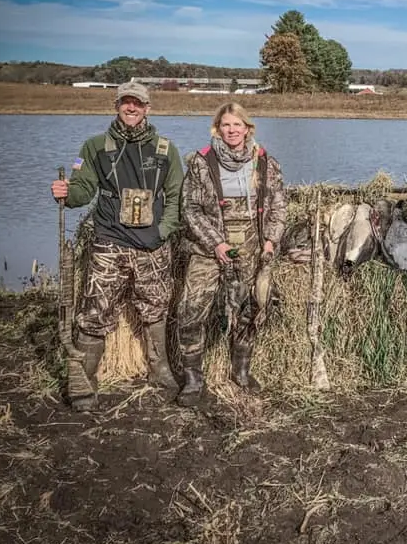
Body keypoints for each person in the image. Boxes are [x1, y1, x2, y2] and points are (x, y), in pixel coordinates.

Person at [51, 81, 183, 411]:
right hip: (108, 244)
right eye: (126, 102)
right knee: (94, 312)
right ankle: (84, 379)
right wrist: (66, 194)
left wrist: (162, 232)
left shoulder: (166, 149)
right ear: (116, 105)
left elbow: (177, 198)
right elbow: (83, 192)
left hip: (151, 247)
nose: (131, 108)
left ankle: (160, 369)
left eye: (137, 104)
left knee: (155, 309)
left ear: (147, 108)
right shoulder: (96, 146)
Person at [175, 102, 287, 407]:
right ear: (217, 128)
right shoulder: (201, 162)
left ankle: (240, 371)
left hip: (253, 248)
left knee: (251, 309)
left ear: (248, 128)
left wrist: (271, 241)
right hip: (208, 248)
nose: (232, 130)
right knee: (191, 309)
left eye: (238, 125)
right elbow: (189, 209)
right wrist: (216, 244)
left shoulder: (266, 162)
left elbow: (278, 206)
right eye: (226, 125)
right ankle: (193, 379)